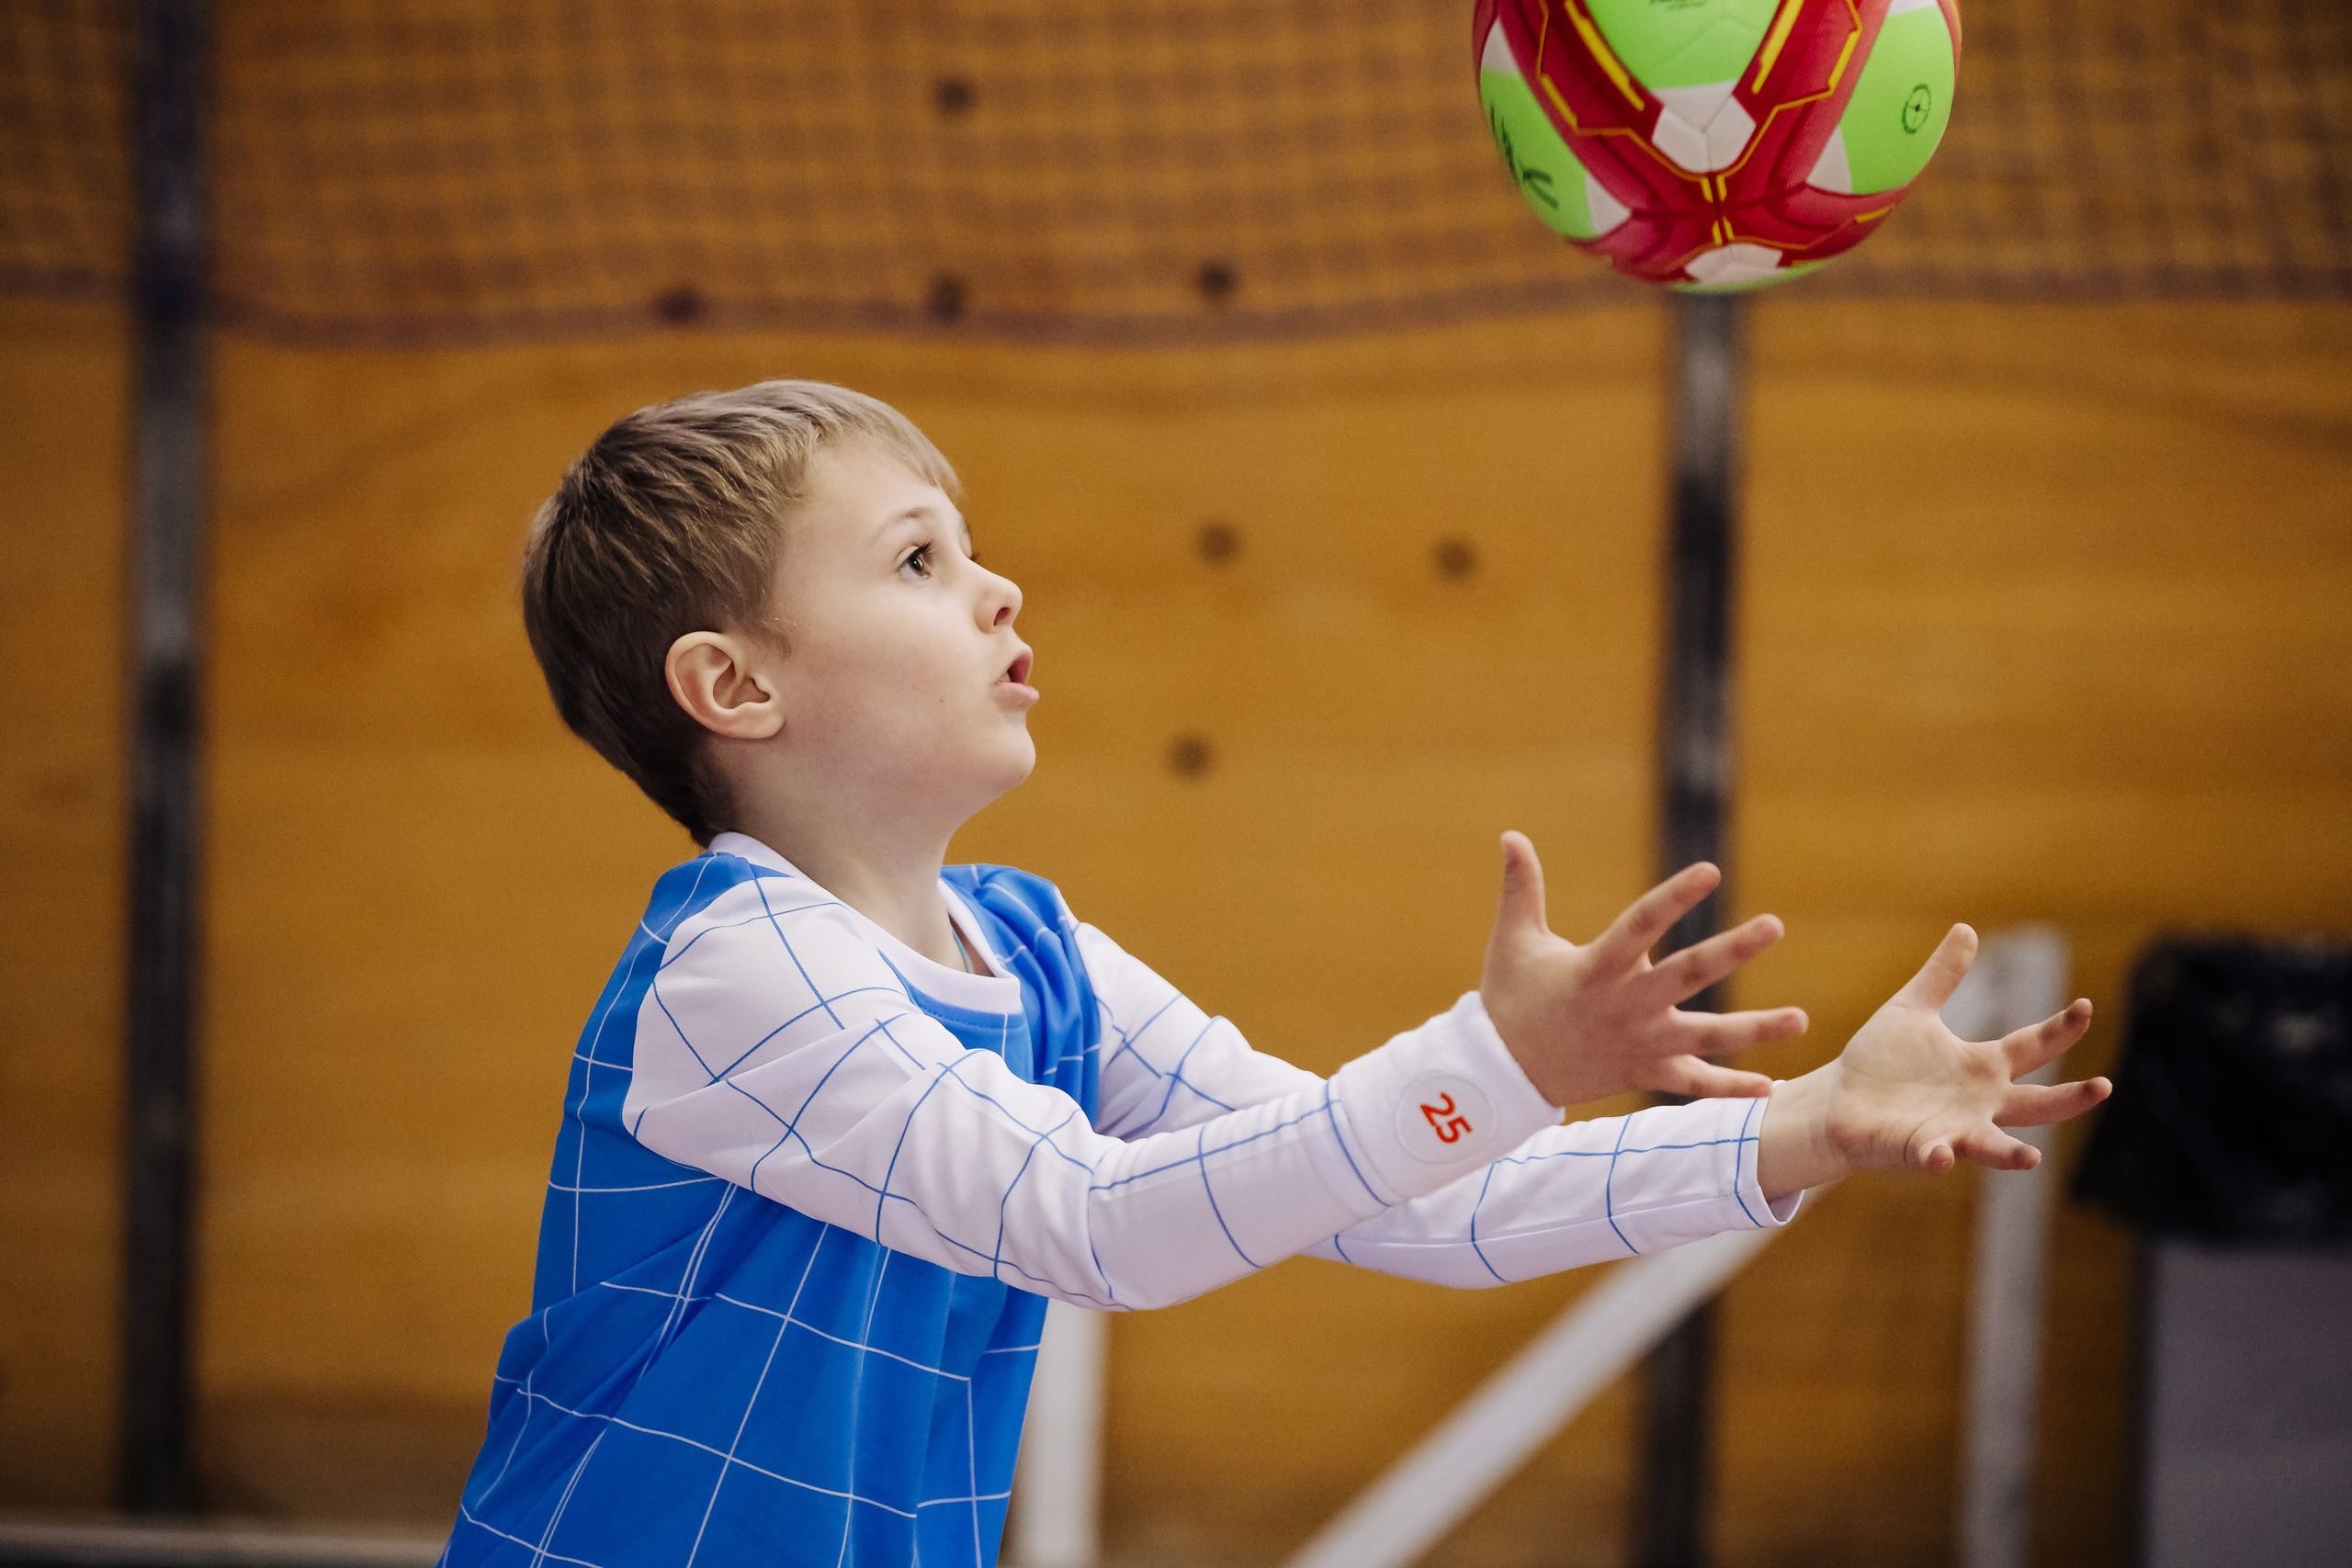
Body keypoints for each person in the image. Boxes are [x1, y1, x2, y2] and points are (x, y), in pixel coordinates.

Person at [442, 381, 2109, 1568]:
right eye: (916, 561)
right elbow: (1096, 1225)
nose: (999, 585)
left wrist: (1808, 1128)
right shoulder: (744, 967)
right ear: (733, 685)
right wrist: (1496, 1058)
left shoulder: (1028, 950)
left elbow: (1415, 1203)